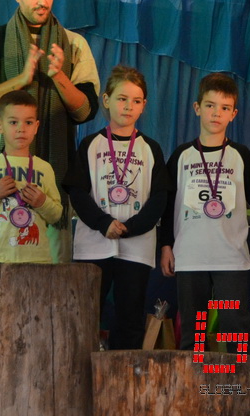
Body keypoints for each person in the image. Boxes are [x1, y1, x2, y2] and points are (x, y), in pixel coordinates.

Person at [0, 0, 100, 263]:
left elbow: (86, 111)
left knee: (49, 258)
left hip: (50, 166)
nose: (42, 1)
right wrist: (21, 80)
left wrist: (59, 76)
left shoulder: (73, 44)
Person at [159, 73, 250, 351]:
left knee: (236, 328)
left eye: (225, 108)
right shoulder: (181, 155)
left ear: (233, 114)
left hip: (230, 258)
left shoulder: (241, 155)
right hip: (189, 257)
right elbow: (168, 205)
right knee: (192, 334)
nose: (216, 113)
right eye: (210, 105)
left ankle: (239, 380)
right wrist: (166, 245)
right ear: (197, 107)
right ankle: (194, 381)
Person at [65, 65, 168, 349]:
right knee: (86, 315)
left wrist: (131, 228)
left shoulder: (151, 148)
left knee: (130, 318)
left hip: (136, 247)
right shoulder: (91, 145)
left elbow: (159, 197)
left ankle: (124, 372)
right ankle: (83, 368)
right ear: (107, 100)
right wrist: (103, 223)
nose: (128, 106)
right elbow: (77, 192)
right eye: (122, 99)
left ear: (144, 105)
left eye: (136, 101)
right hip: (94, 245)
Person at [0, 91, 64, 265]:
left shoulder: (44, 168)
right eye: (13, 122)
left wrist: (42, 202)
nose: (21, 129)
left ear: (36, 127)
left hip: (37, 261)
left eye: (28, 122)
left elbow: (56, 215)